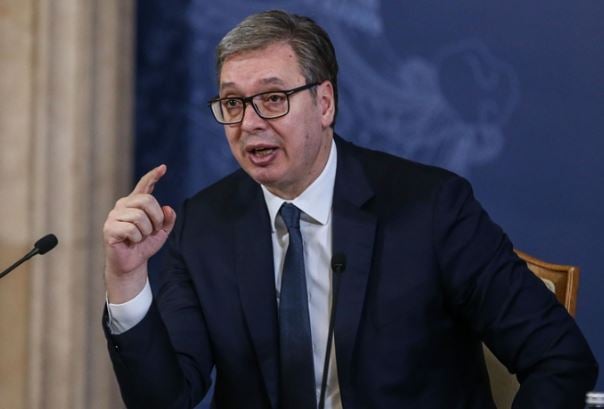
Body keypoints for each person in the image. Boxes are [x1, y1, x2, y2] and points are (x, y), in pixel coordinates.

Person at [102, 10, 598, 409]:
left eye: (272, 98)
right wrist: (127, 281)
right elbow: (166, 398)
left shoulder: (431, 208)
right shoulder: (203, 225)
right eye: (233, 103)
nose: (249, 123)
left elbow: (560, 359)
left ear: (324, 103)